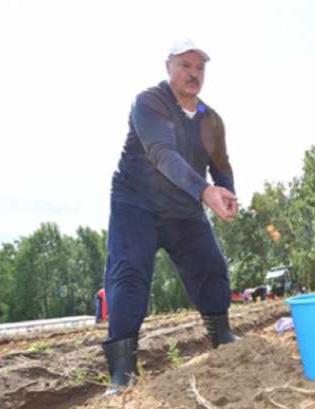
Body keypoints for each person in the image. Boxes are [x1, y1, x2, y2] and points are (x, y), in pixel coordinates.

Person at [102, 39, 240, 396]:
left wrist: (227, 193)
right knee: (128, 272)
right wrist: (205, 191)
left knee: (211, 265)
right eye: (185, 65)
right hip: (136, 204)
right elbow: (162, 153)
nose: (194, 73)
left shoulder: (212, 120)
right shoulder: (149, 102)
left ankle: (222, 335)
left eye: (200, 67)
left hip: (183, 208)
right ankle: (122, 372)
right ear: (168, 67)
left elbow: (221, 165)